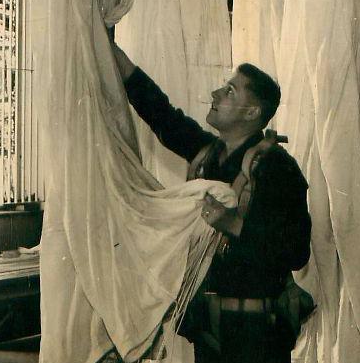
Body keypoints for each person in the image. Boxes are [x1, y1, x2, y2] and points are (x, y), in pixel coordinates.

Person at [112, 44, 312, 363]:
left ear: (252, 113)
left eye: (230, 91)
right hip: (210, 333)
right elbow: (161, 114)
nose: (216, 93)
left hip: (258, 337)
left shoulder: (277, 168)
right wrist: (114, 57)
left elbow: (297, 251)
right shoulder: (208, 155)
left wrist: (234, 224)